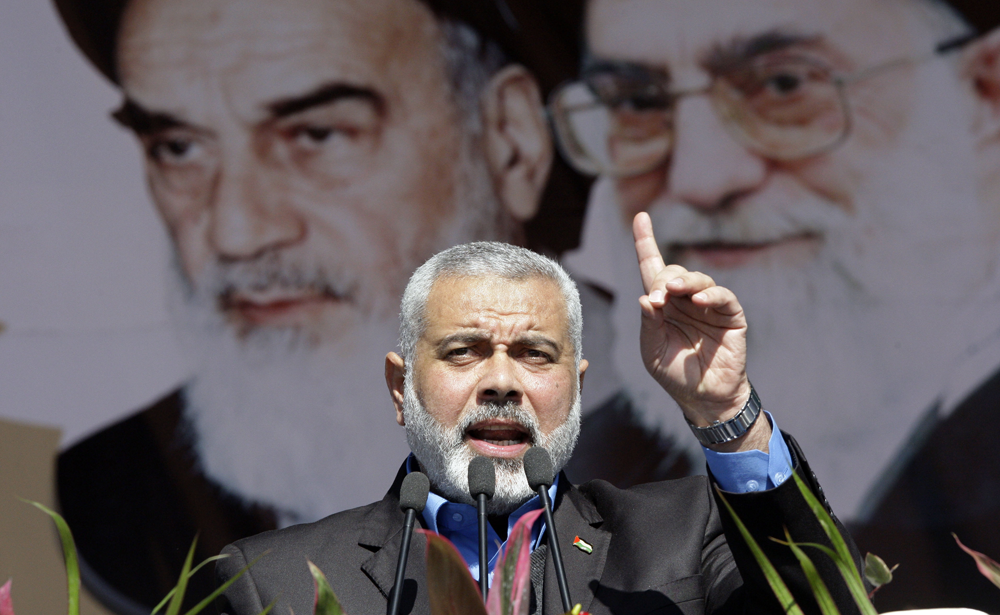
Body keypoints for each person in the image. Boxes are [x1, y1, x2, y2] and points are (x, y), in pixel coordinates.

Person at [51, 0, 584, 612]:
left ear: (510, 141)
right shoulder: (120, 491)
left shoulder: (666, 473)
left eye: (317, 135)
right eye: (178, 147)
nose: (235, 231)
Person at [549, 0, 1000, 609]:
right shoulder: (586, 475)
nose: (702, 176)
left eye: (784, 84)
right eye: (637, 101)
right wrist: (726, 414)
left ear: (986, 94)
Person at [216, 228, 866, 615]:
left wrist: (725, 410)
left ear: (575, 389)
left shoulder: (688, 533)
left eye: (535, 353)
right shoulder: (270, 581)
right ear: (400, 386)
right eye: (464, 350)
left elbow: (828, 606)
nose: (503, 382)